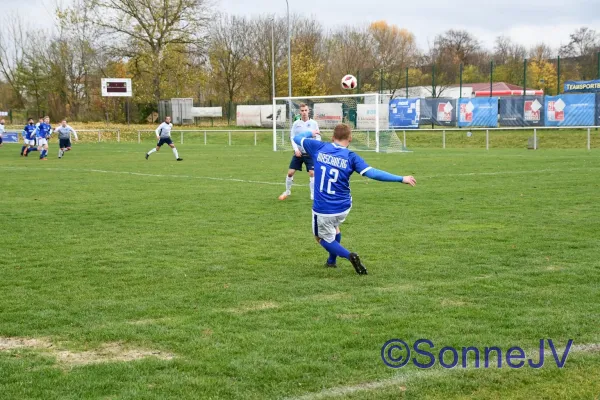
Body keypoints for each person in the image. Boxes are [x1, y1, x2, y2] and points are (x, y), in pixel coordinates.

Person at [293, 124, 416, 275]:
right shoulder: (351, 157)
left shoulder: (319, 147)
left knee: (321, 238)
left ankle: (349, 255)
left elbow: (297, 138)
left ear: (332, 137)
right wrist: (401, 178)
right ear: (350, 138)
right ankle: (331, 261)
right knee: (335, 228)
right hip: (344, 207)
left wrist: (310, 132)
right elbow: (372, 173)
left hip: (324, 208)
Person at [278, 103, 320, 201]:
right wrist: (296, 150)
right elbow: (292, 137)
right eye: (302, 110)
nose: (304, 112)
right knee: (290, 173)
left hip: (309, 153)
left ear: (308, 111)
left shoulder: (314, 123)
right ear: (299, 112)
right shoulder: (296, 124)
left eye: (306, 110)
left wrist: (314, 148)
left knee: (312, 173)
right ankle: (287, 191)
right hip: (299, 153)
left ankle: (313, 194)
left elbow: (318, 137)